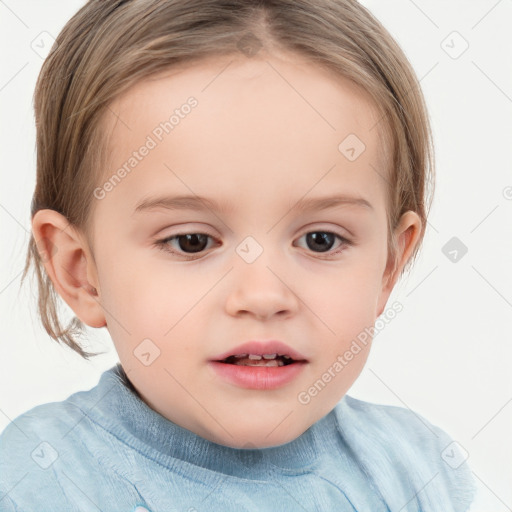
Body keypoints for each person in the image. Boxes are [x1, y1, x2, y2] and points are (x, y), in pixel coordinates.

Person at [0, 0, 476, 510]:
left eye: (321, 240)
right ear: (80, 271)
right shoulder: (41, 481)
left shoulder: (416, 472)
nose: (263, 295)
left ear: (388, 265)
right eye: (192, 241)